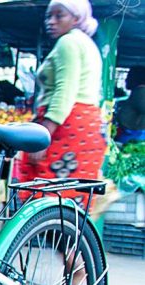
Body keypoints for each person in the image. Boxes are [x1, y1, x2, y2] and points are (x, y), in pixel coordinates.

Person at [14, 0, 105, 209]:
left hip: (67, 124)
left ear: (76, 18)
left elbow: (65, 91)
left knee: (46, 192)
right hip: (86, 124)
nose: (51, 22)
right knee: (68, 196)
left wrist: (43, 136)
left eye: (59, 16)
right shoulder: (86, 44)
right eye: (48, 16)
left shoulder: (69, 43)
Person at [116, 67, 145, 143]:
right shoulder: (139, 91)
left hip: (134, 136)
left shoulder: (141, 92)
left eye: (128, 77)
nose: (125, 80)